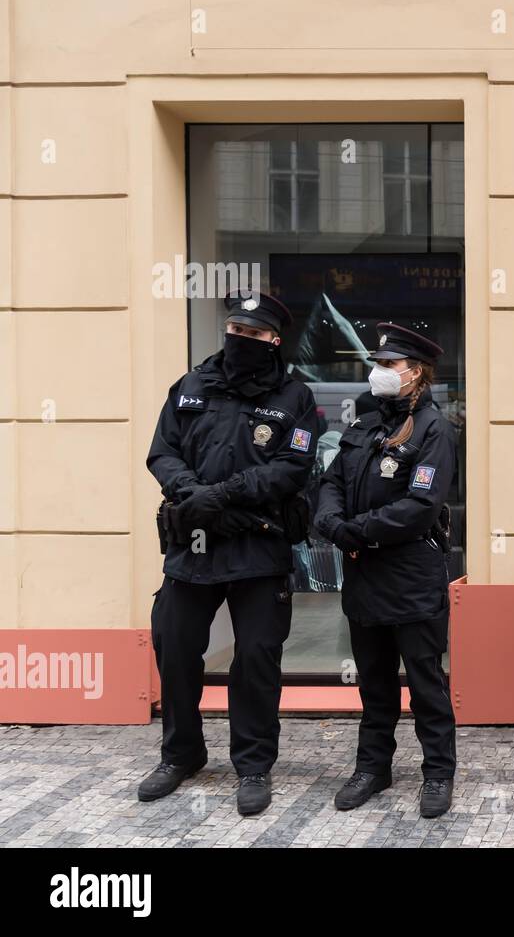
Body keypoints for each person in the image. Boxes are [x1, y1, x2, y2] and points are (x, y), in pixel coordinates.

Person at [142, 291, 320, 815]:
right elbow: (162, 451)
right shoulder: (190, 386)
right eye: (235, 330)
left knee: (256, 661)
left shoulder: (295, 398)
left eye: (253, 334)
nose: (241, 340)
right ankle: (181, 754)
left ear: (274, 340)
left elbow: (292, 468)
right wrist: (190, 491)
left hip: (258, 549)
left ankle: (253, 765)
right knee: (175, 650)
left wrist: (222, 494)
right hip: (192, 548)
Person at [313, 322, 460, 818]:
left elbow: (421, 504)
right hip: (364, 577)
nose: (378, 372)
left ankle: (438, 773)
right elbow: (332, 479)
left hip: (411, 576)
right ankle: (373, 768)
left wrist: (357, 531)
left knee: (424, 683)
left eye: (388, 365)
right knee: (374, 684)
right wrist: (331, 521)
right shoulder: (366, 424)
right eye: (377, 364)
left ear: (415, 372)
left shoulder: (434, 430)